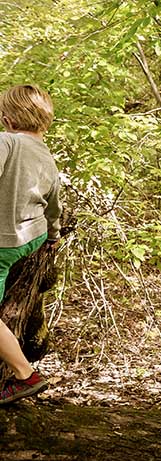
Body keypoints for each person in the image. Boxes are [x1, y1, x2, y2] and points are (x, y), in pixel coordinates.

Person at [0, 84, 61, 405]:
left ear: (7, 119)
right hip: (30, 238)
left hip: (3, 241)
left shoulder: (6, 142)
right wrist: (53, 236)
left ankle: (26, 375)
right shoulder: (48, 159)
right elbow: (54, 207)